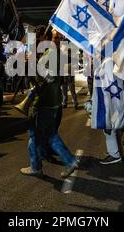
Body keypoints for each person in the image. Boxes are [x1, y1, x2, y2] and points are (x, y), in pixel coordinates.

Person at [20, 29, 79, 178]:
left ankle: (67, 161)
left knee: (44, 135)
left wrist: (30, 64)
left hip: (45, 102)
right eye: (55, 37)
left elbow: (42, 79)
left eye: (57, 38)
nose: (56, 40)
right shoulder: (58, 53)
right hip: (54, 100)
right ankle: (36, 165)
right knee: (41, 134)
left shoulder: (48, 55)